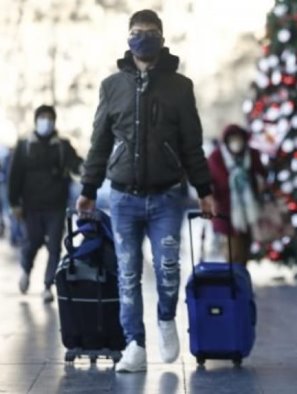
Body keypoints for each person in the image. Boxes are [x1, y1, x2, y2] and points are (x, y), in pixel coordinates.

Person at [76, 10, 215, 373]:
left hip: (168, 196)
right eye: (137, 32)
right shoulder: (111, 86)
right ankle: (134, 343)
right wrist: (88, 188)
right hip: (122, 197)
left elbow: (192, 145)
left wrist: (205, 190)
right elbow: (99, 143)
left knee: (168, 266)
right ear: (128, 38)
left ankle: (166, 318)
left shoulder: (180, 87)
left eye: (150, 32)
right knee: (127, 272)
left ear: (161, 38)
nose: (143, 38)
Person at [8, 105, 82, 303]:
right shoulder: (24, 145)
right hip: (31, 206)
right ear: (36, 120)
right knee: (32, 242)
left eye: (49, 118)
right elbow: (14, 177)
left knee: (55, 247)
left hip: (56, 206)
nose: (46, 121)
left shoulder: (62, 145)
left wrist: (88, 169)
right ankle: (26, 270)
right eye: (42, 117)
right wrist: (14, 203)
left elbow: (77, 164)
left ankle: (48, 285)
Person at [207, 124, 266, 263]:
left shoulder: (252, 154)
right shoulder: (215, 157)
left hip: (250, 210)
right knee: (233, 253)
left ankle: (239, 280)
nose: (236, 142)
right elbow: (208, 182)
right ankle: (233, 280)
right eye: (232, 139)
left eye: (238, 138)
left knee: (244, 249)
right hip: (225, 212)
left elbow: (262, 174)